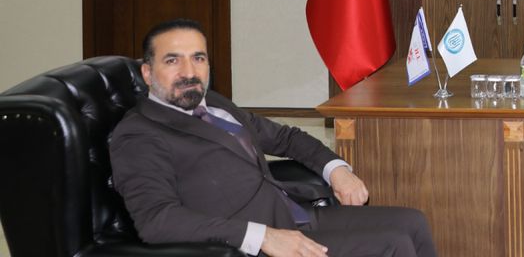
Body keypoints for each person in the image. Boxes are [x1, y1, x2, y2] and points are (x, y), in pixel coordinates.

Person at [109, 19, 436, 257]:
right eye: (172, 60)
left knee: (412, 222)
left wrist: (336, 169)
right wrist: (263, 237)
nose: (189, 72)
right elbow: (157, 221)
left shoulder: (215, 104)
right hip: (253, 244)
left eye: (198, 58)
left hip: (293, 213)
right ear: (147, 73)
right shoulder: (138, 134)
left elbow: (287, 138)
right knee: (394, 245)